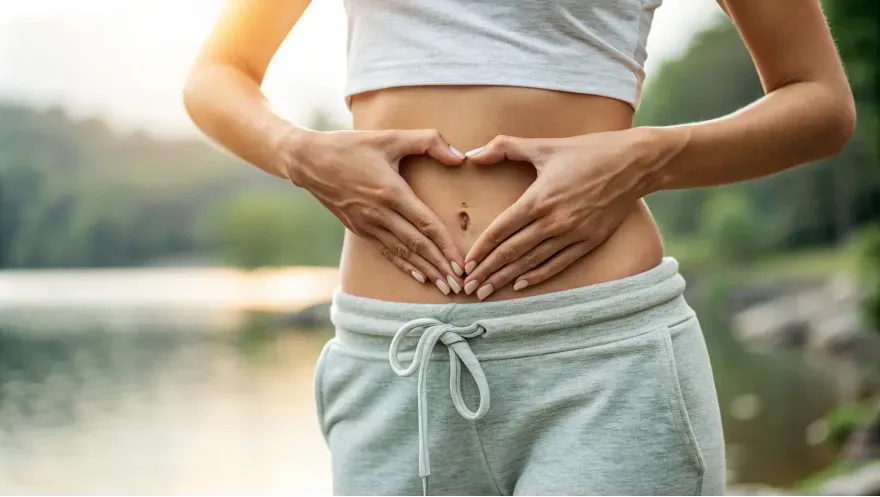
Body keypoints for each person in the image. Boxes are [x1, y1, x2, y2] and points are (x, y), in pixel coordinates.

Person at [184, 0, 855, 494]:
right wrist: (299, 153)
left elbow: (819, 101)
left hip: (601, 364)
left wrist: (646, 156)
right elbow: (218, 72)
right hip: (392, 371)